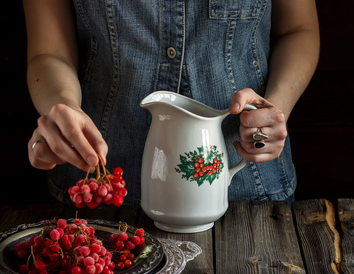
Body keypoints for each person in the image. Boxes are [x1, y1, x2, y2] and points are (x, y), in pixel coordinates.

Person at [23, 0, 320, 205]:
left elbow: (298, 30)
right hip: (102, 194)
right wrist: (63, 107)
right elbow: (49, 52)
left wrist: (275, 108)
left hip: (249, 192)